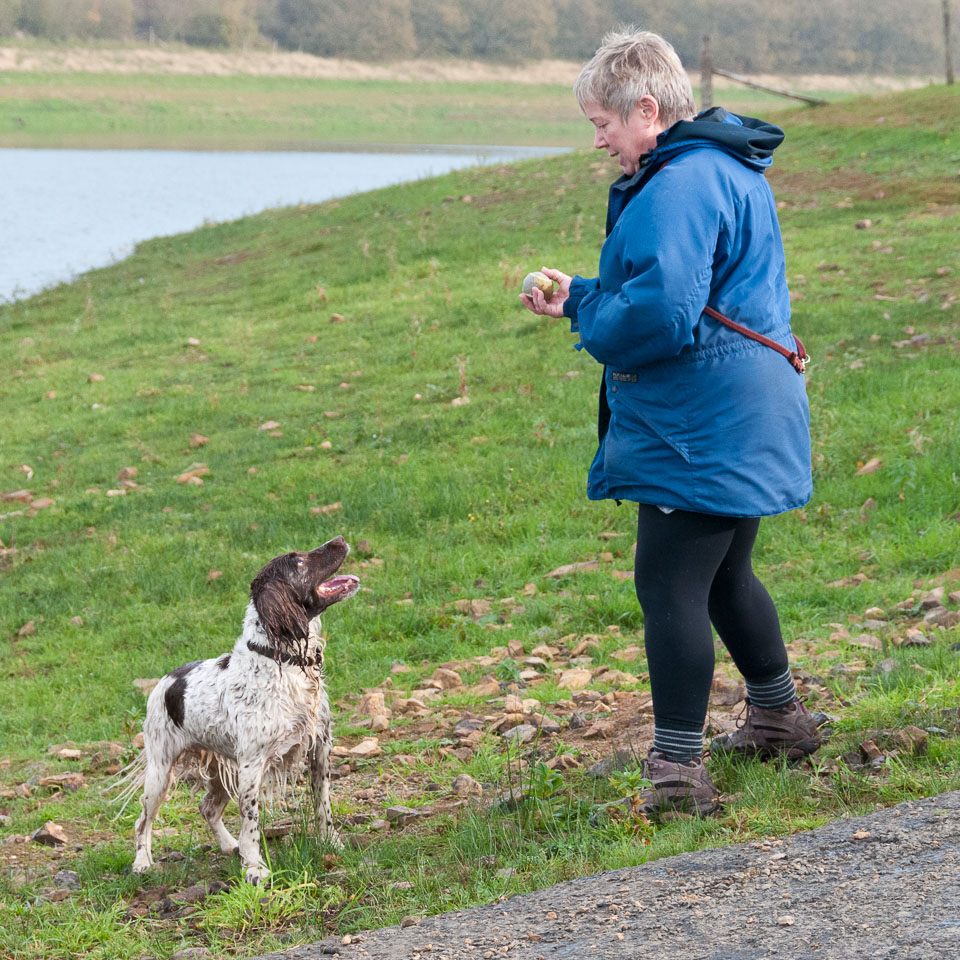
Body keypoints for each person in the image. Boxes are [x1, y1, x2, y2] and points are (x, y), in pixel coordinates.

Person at [520, 28, 820, 815]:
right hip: (741, 404)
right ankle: (779, 717)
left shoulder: (680, 183)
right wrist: (581, 296)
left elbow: (660, 314)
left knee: (669, 583)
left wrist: (595, 326)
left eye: (603, 123)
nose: (599, 140)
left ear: (646, 109)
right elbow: (681, 290)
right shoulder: (723, 164)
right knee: (724, 575)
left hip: (700, 420)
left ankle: (679, 774)